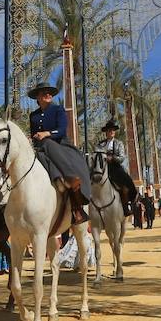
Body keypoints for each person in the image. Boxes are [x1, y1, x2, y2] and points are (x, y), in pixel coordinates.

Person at [26, 84, 92, 220]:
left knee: (47, 143)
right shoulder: (33, 116)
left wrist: (47, 133)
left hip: (60, 145)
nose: (48, 95)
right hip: (40, 148)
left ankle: (71, 180)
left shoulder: (58, 110)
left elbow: (62, 130)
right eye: (45, 93)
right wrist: (30, 138)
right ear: (38, 97)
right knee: (37, 154)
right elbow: (34, 134)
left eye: (50, 93)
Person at [93, 120, 138, 213]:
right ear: (106, 132)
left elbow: (122, 158)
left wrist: (112, 158)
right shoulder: (100, 144)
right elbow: (96, 155)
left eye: (113, 130)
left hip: (115, 167)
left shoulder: (119, 143)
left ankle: (127, 204)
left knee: (127, 181)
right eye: (109, 130)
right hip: (102, 167)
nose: (111, 132)